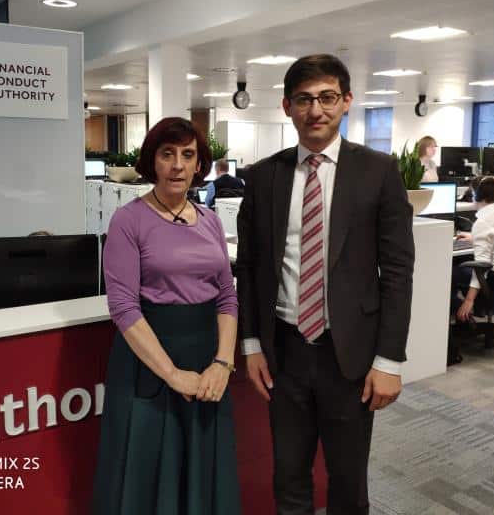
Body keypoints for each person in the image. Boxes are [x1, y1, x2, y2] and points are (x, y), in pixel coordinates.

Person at [236, 54, 415, 514]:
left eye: (327, 97)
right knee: (289, 475)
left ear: (346, 101)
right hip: (286, 351)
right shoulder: (262, 178)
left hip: (351, 355)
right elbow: (252, 268)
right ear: (287, 106)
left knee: (347, 479)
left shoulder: (379, 172)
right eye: (303, 99)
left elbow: (397, 271)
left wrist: (390, 359)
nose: (315, 110)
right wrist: (252, 343)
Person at [92, 117, 241, 515]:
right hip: (151, 364)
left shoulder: (210, 220)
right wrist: (173, 375)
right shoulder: (129, 220)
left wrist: (223, 365)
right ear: (152, 162)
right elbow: (123, 307)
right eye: (167, 154)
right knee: (147, 475)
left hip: (207, 362)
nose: (177, 165)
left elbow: (227, 296)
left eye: (187, 155)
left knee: (202, 472)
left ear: (198, 165)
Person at [453, 176, 494, 323]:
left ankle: (462, 313)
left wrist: (469, 299)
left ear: (476, 196)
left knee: (450, 273)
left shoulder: (482, 222)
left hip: (493, 279)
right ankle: (477, 310)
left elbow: (482, 265)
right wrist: (475, 237)